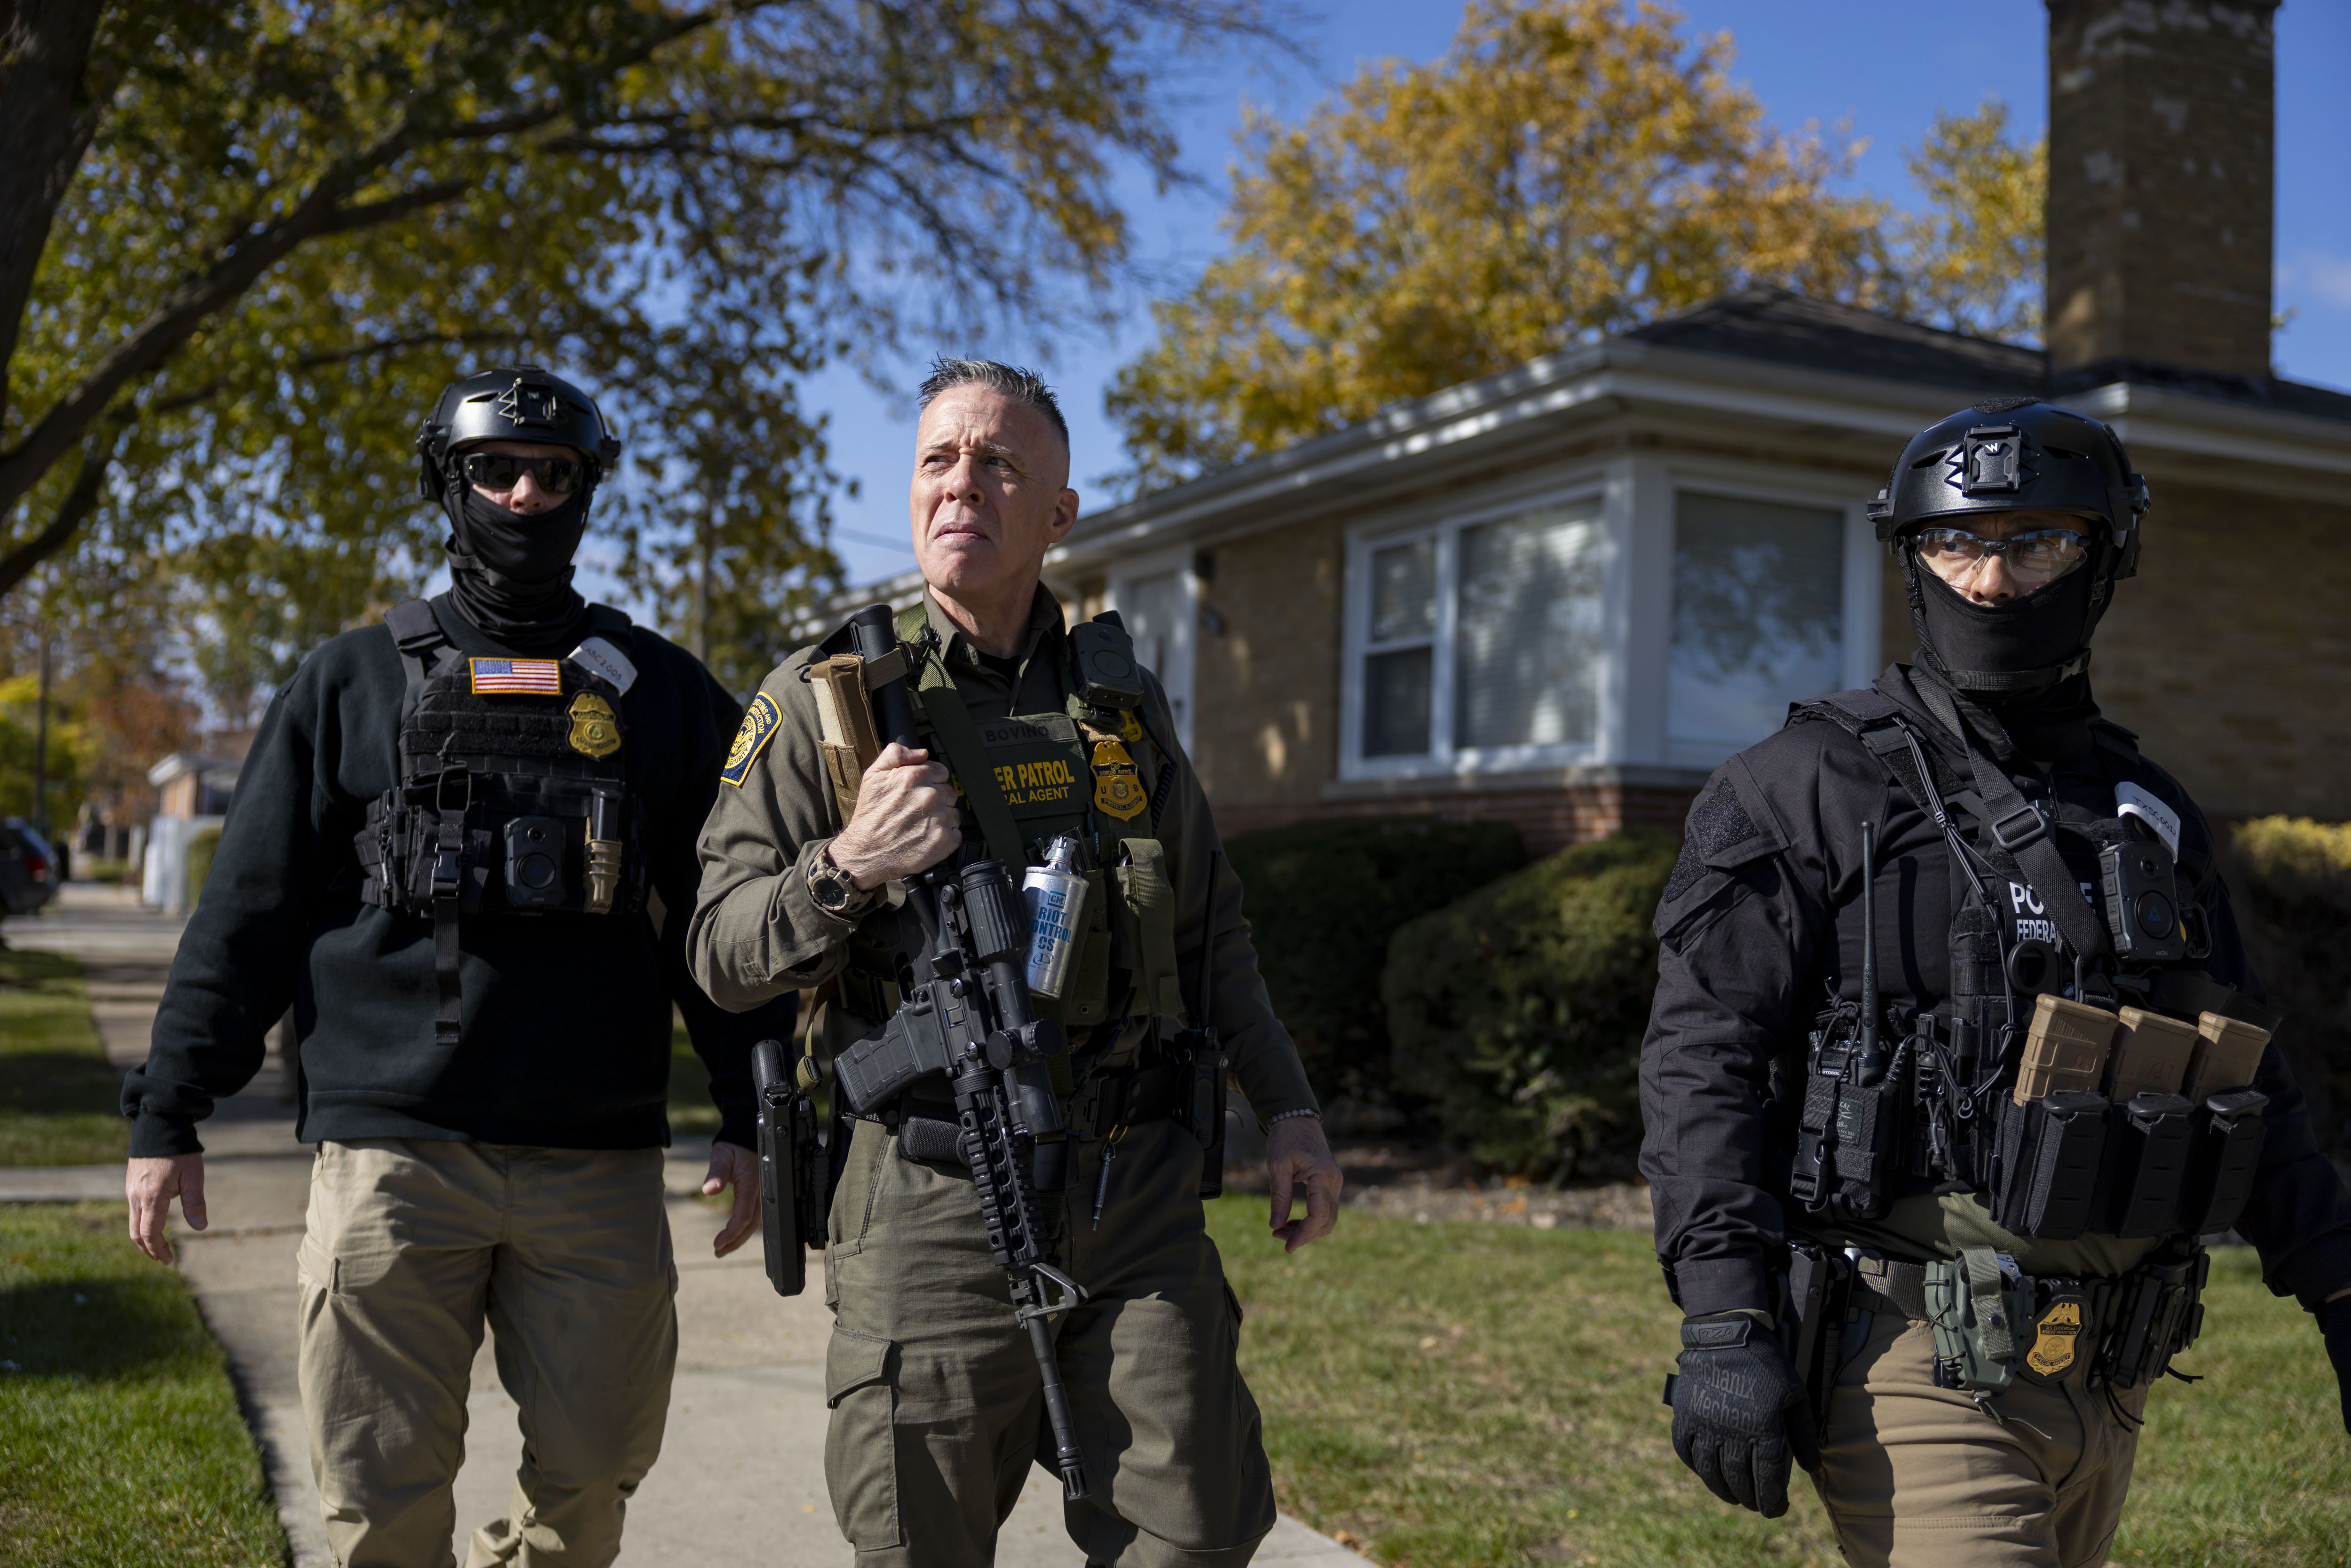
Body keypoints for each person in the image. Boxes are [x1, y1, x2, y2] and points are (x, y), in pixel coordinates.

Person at [1641, 397, 2351, 1566]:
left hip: (2111, 1373)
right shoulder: (1800, 786)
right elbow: (1701, 1061)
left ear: (2104, 558)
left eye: (2037, 543)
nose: (1988, 580)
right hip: (1911, 1359)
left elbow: (2239, 1070)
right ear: (1909, 557)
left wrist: (2338, 1286)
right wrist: (1723, 1316)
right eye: (1953, 543)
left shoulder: (2147, 810)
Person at [121, 364, 792, 1568]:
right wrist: (167, 1112)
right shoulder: (348, 681)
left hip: (595, 1160)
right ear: (449, 483)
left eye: (554, 473)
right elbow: (248, 911)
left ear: (587, 490)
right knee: (378, 1503)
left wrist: (756, 1112)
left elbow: (723, 922)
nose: (525, 495)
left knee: (594, 1483)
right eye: (496, 470)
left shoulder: (663, 692)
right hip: (392, 1158)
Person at [690, 356, 1342, 1568]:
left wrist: (1289, 1109)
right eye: (937, 459)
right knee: (919, 1542)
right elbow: (720, 954)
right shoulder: (827, 706)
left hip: (1131, 1188)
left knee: (1197, 1530)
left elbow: (1208, 930)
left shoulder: (1120, 705)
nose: (960, 485)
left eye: (997, 463)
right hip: (931, 1195)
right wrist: (848, 864)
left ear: (1058, 514)